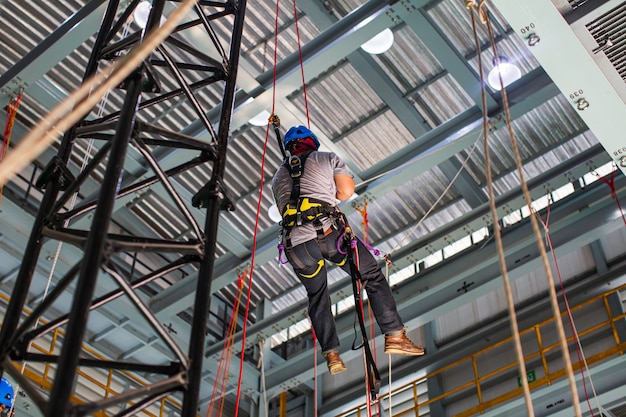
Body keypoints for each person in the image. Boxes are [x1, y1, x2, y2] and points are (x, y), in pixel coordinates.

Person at [272, 125, 425, 375]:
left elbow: (284, 211)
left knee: (317, 295)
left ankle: (331, 354)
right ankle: (395, 335)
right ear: (313, 143)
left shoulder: (278, 176)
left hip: (297, 248)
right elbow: (346, 191)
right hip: (329, 236)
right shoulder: (327, 158)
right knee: (372, 276)